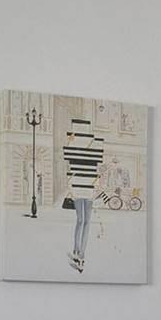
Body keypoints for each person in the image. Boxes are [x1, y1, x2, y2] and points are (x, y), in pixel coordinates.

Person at [59, 111, 105, 271]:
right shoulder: (95, 143)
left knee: (81, 221)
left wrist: (71, 186)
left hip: (81, 188)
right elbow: (96, 163)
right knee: (85, 222)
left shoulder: (72, 144)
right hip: (87, 188)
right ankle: (80, 255)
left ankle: (78, 253)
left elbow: (69, 164)